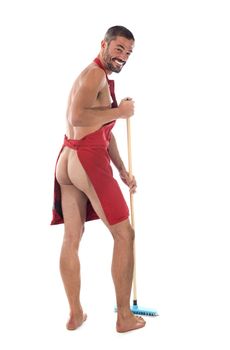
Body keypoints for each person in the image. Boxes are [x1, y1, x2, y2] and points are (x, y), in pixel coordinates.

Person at [51, 25, 146, 333]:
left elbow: (102, 130)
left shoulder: (95, 78)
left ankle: (76, 314)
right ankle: (124, 317)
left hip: (67, 161)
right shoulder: (94, 74)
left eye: (128, 52)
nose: (123, 56)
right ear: (103, 44)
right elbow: (78, 117)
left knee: (71, 239)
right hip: (86, 160)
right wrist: (120, 112)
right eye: (119, 49)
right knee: (124, 234)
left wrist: (121, 169)